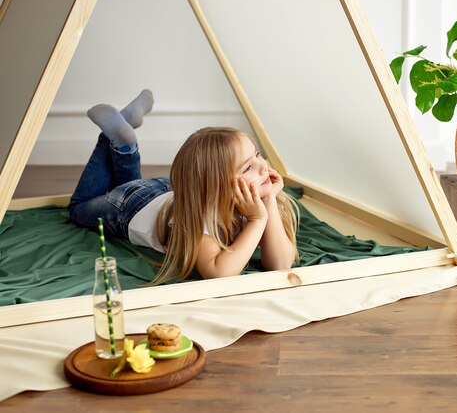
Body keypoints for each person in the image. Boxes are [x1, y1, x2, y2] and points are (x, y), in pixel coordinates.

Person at [68, 90, 299, 284]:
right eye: (248, 167)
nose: (262, 166)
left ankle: (123, 134)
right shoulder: (201, 219)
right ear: (216, 185)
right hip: (131, 206)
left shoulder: (240, 197)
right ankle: (118, 141)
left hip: (167, 191)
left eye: (257, 155)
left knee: (128, 184)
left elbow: (280, 264)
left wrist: (268, 200)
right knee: (79, 208)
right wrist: (258, 221)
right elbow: (218, 272)